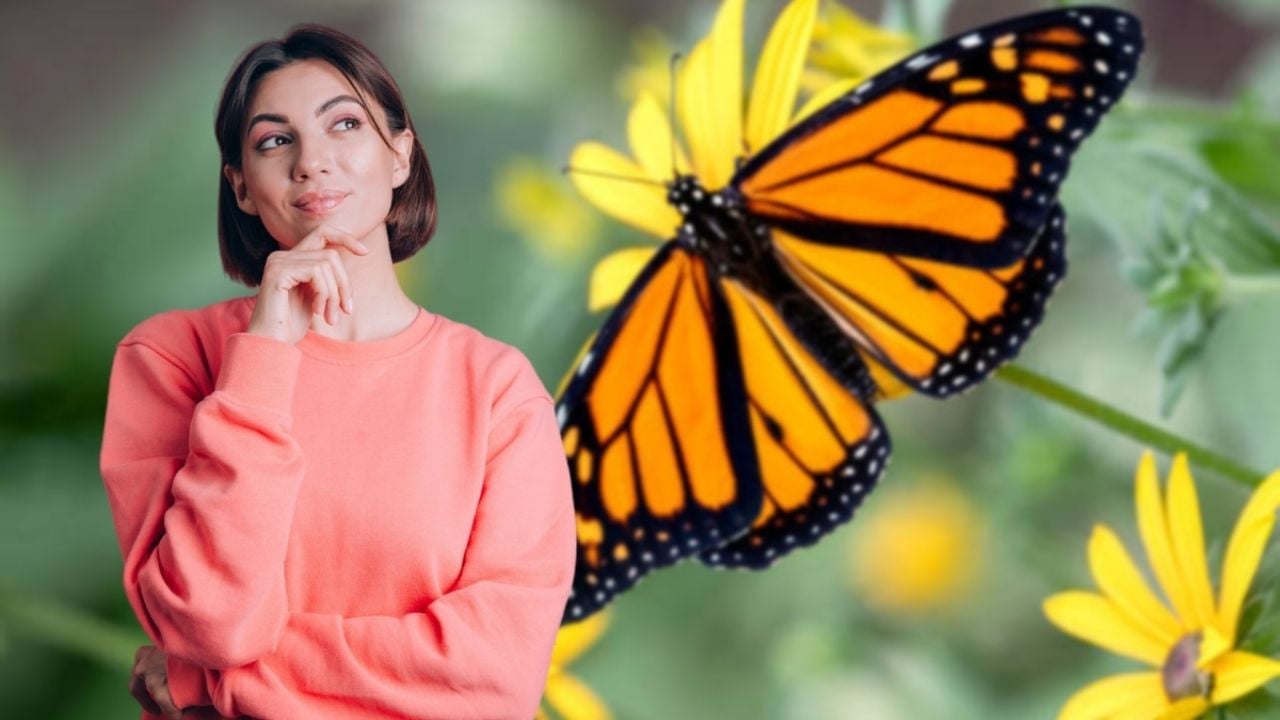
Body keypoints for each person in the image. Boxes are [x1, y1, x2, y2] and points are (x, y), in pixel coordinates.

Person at [99, 23, 576, 720]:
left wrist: (215, 683)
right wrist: (264, 355)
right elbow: (211, 619)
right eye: (273, 140)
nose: (311, 161)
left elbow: (492, 682)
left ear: (400, 156)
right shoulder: (171, 359)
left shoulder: (499, 391)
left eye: (344, 124)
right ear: (240, 187)